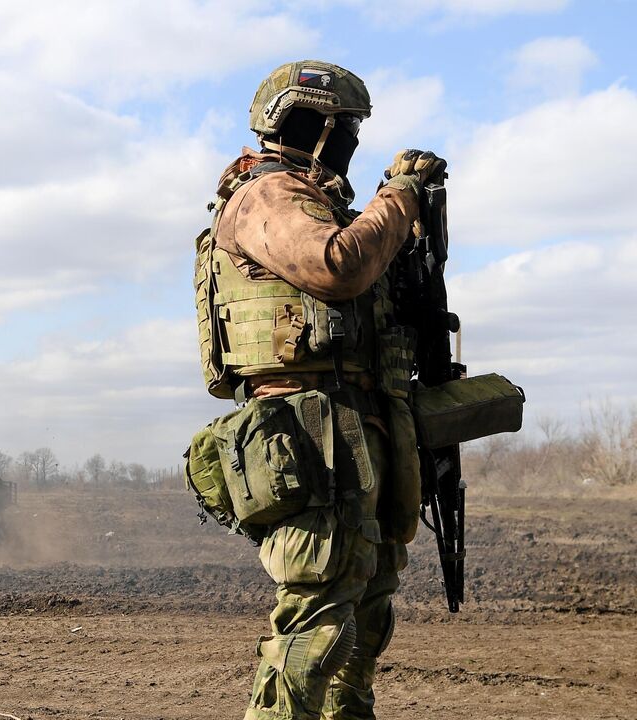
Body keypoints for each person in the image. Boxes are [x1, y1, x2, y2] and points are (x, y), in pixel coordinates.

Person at [191, 60, 446, 719]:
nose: (354, 145)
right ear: (321, 127)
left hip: (354, 428)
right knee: (317, 626)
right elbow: (338, 265)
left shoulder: (321, 202)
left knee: (362, 619)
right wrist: (399, 199)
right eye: (349, 131)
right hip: (305, 439)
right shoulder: (269, 196)